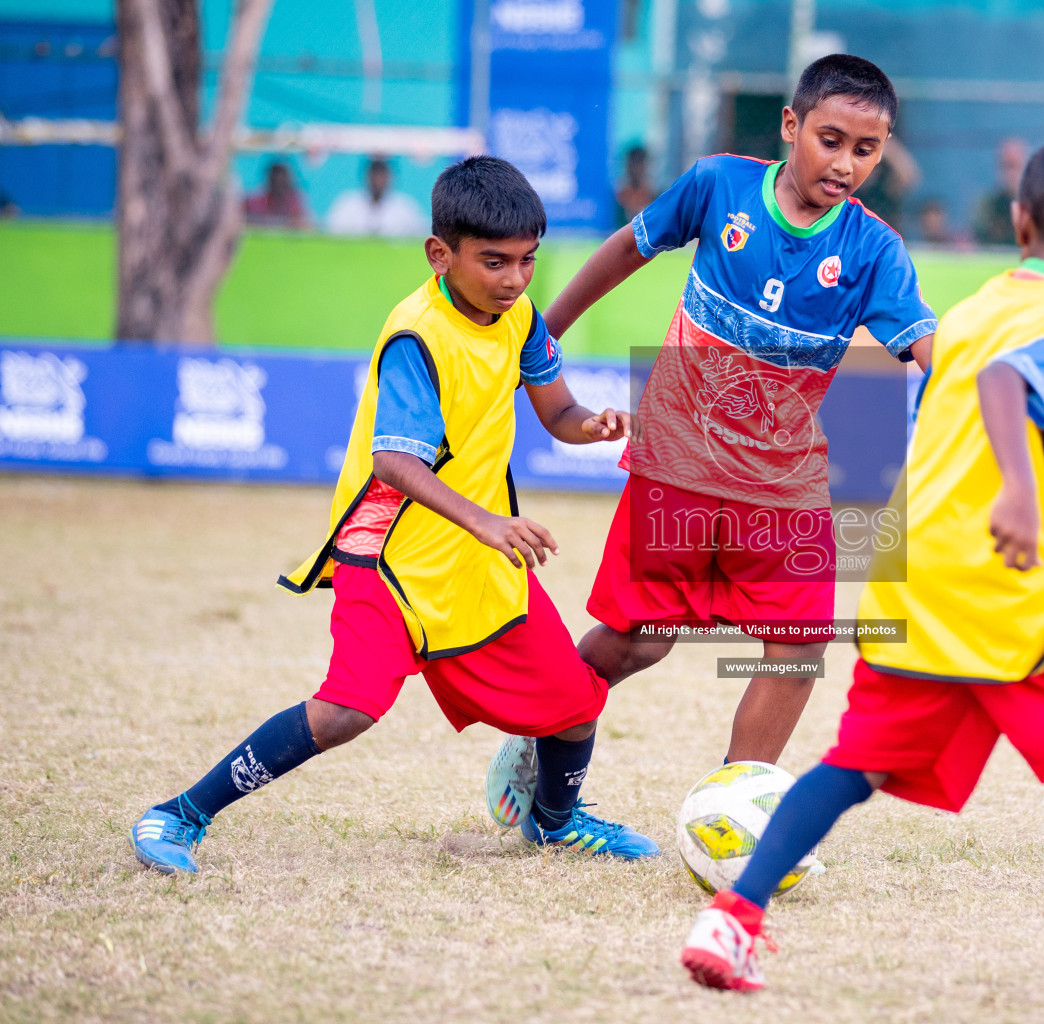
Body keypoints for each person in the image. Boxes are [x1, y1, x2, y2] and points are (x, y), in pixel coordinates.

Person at [677, 134, 1044, 1004]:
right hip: (1004, 586)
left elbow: (987, 411)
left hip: (913, 579)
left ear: (1020, 221)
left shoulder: (980, 307)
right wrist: (1025, 501)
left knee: (852, 766)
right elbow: (1005, 393)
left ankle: (732, 919)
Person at [130, 156, 659, 874]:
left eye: (529, 260)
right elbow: (394, 465)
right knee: (346, 711)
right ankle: (179, 815)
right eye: (495, 261)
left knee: (573, 701)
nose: (514, 279)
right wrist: (489, 523)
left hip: (473, 563)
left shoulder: (522, 317)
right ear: (440, 254)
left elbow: (554, 407)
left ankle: (555, 823)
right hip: (389, 559)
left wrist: (590, 425)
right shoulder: (418, 336)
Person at [479, 54, 937, 809]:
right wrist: (542, 332)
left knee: (799, 646)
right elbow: (630, 246)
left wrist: (981, 396)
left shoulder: (874, 249)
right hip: (677, 461)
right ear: (792, 126)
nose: (846, 163)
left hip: (784, 483)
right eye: (830, 139)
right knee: (640, 639)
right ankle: (538, 744)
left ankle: (733, 810)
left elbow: (926, 348)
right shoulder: (717, 183)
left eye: (867, 149)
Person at [325, 156, 428, 237]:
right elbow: (330, 236)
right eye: (374, 173)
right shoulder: (347, 205)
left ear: (390, 176)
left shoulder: (406, 208)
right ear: (366, 175)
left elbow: (421, 237)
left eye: (382, 173)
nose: (378, 179)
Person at [972, 136, 1028, 246]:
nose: (1010, 173)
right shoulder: (987, 204)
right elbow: (979, 237)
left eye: (1014, 166)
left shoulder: (1035, 204)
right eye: (1006, 166)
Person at [244, 159, 308, 229]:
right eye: (275, 181)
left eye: (282, 182)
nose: (278, 186)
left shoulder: (295, 201)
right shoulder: (257, 202)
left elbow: (302, 223)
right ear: (270, 181)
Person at [614, 144, 656, 226]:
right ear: (628, 166)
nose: (636, 170)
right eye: (634, 164)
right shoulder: (619, 196)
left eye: (640, 165)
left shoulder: (653, 196)